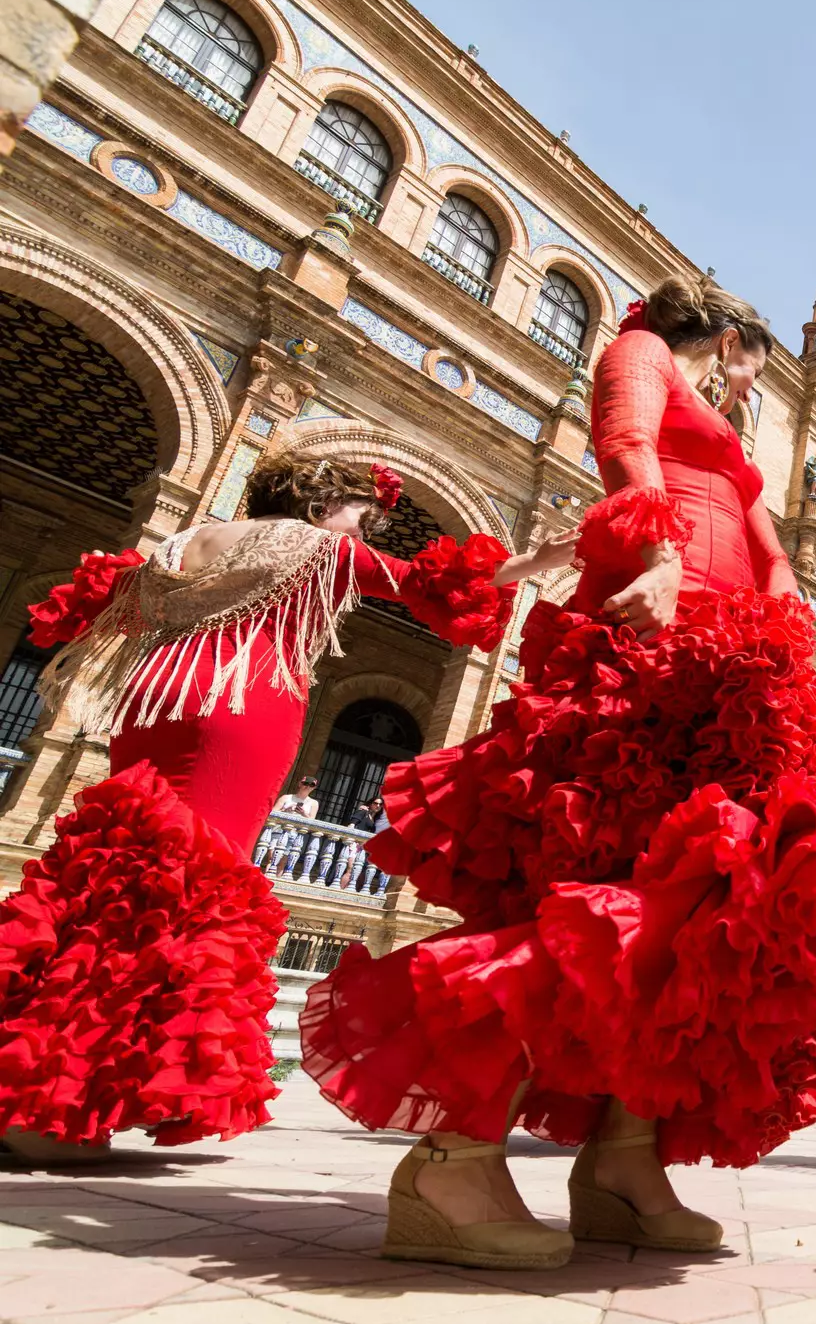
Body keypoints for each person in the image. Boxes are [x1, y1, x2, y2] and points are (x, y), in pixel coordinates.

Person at [299, 273, 816, 1272]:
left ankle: (623, 1162)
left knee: (697, 895)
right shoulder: (642, 353)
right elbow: (627, 448)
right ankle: (452, 1158)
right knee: (597, 882)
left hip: (733, 652)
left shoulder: (724, 423)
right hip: (656, 619)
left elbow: (761, 534)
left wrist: (787, 636)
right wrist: (661, 550)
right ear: (728, 338)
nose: (747, 380)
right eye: (746, 358)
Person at [0, 452, 566, 1162]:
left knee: (112, 875)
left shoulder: (189, 541)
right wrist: (529, 563)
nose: (365, 531)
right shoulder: (319, 545)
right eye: (362, 517)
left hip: (154, 698)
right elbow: (427, 583)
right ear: (325, 503)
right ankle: (64, 1104)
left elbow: (102, 602)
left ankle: (30, 1073)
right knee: (187, 887)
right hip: (240, 703)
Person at [256, 775, 323, 870]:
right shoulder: (286, 798)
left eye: (311, 785)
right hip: (278, 830)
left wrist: (303, 813)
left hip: (295, 833)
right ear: (300, 784)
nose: (307, 786)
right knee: (272, 859)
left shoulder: (313, 803)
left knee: (283, 862)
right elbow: (272, 813)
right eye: (305, 783)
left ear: (314, 788)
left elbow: (312, 822)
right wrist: (285, 810)